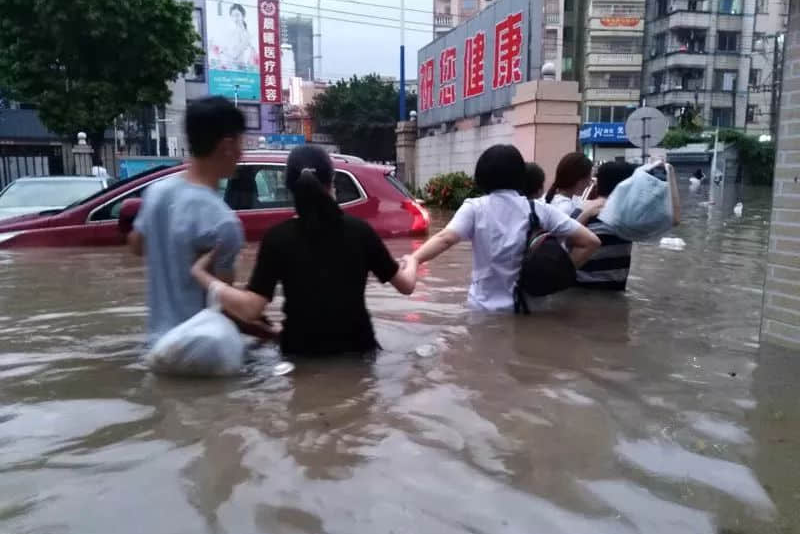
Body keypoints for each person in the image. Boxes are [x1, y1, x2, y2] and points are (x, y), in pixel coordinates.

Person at [191, 145, 418, 357]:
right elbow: (406, 286)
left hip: (299, 355)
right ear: (332, 184)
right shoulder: (360, 231)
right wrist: (412, 262)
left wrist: (204, 277)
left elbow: (251, 309)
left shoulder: (277, 238)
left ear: (290, 188)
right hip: (358, 353)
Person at [410, 145, 600, 311]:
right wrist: (559, 274)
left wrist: (414, 259)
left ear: (481, 176)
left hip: (483, 310)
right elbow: (591, 242)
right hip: (532, 310)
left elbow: (445, 238)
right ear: (520, 176)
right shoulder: (540, 210)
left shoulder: (475, 208)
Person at [128, 96, 245, 342]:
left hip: (157, 345)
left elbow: (137, 245)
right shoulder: (223, 221)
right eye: (240, 143)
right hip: (202, 350)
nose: (241, 154)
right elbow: (224, 304)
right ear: (227, 146)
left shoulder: (156, 194)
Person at [572, 162, 637, 291]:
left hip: (579, 287)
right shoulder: (627, 215)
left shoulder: (582, 207)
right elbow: (673, 219)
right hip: (611, 289)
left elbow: (565, 242)